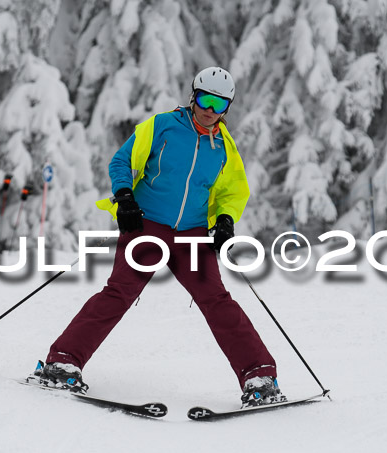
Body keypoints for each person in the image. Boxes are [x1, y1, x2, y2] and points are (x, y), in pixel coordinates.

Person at [37, 67, 286, 408]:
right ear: (192, 95)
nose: (210, 109)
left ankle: (259, 376)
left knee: (218, 301)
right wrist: (124, 197)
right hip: (147, 226)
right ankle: (63, 361)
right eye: (204, 99)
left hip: (193, 234)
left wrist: (225, 220)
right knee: (118, 293)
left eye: (219, 103)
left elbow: (232, 192)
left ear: (228, 107)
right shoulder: (162, 126)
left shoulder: (224, 148)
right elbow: (122, 161)